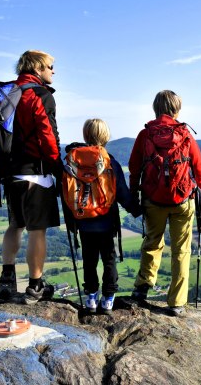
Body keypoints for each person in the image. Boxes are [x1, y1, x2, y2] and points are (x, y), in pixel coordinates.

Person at [128, 90, 201, 317]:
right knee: (181, 250)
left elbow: (135, 167)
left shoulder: (145, 135)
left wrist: (135, 192)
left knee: (153, 241)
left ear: (156, 108)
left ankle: (143, 286)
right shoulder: (184, 134)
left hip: (153, 199)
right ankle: (176, 302)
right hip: (182, 199)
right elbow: (198, 167)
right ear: (176, 109)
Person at [0, 50, 62, 305]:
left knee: (15, 225)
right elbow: (47, 134)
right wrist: (57, 165)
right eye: (50, 66)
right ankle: (35, 286)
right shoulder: (40, 95)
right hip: (36, 173)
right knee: (37, 230)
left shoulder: (8, 92)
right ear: (37, 68)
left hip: (9, 172)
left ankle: (6, 278)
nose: (53, 71)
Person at [70, 118, 132, 314]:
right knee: (109, 259)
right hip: (106, 221)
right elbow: (122, 192)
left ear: (85, 135)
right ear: (105, 136)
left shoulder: (74, 161)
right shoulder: (109, 162)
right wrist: (138, 210)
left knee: (89, 259)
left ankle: (90, 299)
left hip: (83, 221)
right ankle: (108, 300)